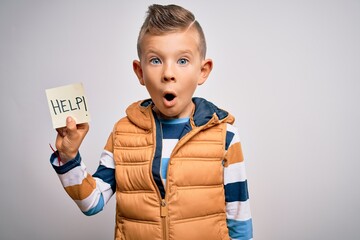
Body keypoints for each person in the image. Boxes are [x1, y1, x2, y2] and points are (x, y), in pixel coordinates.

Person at [50, 4, 253, 240]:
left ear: (203, 70)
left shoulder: (225, 135)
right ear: (140, 72)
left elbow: (239, 221)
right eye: (156, 60)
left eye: (183, 60)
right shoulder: (122, 134)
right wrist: (68, 157)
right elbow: (91, 202)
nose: (168, 73)